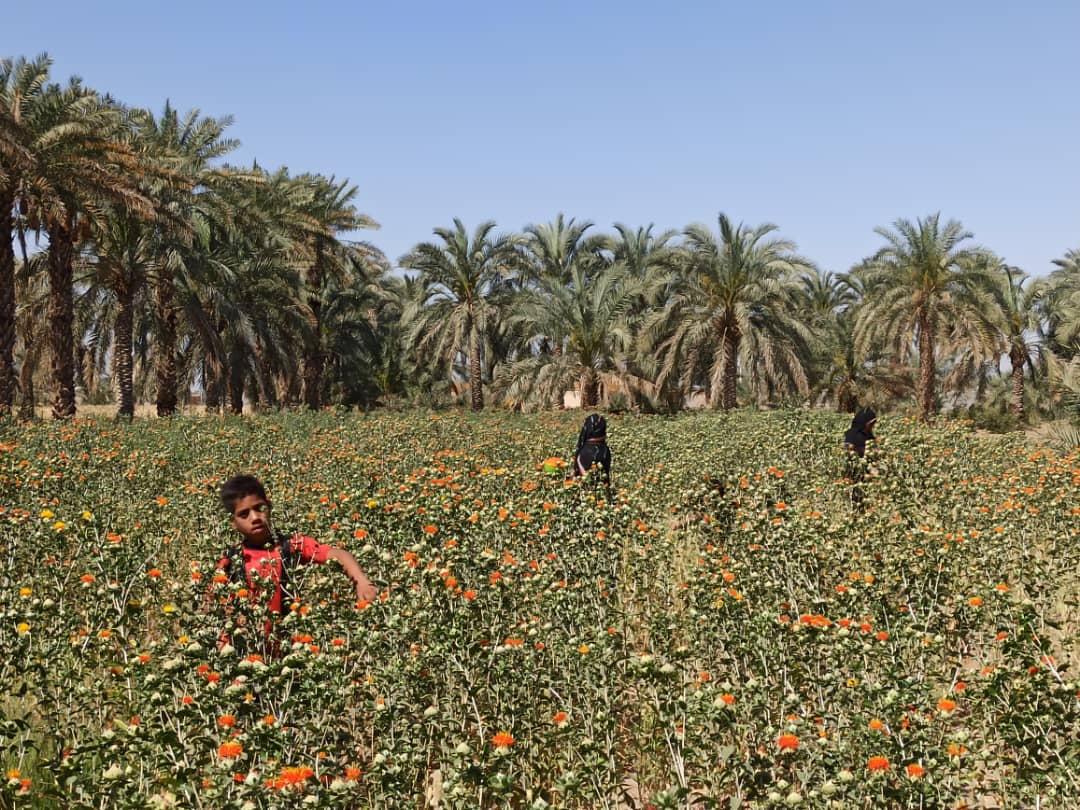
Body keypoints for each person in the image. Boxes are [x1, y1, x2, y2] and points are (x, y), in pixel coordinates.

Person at [214, 475, 377, 650]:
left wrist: (361, 581)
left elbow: (338, 554)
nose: (254, 517)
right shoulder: (230, 560)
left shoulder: (291, 546)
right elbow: (211, 605)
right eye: (244, 514)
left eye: (259, 508)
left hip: (289, 651)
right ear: (233, 523)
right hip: (245, 653)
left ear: (269, 506)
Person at [843, 407, 877, 509]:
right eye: (870, 424)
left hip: (866, 472)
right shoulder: (852, 435)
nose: (872, 426)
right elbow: (849, 452)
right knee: (856, 494)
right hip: (854, 471)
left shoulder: (869, 435)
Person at [569, 413, 612, 487]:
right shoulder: (605, 450)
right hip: (603, 493)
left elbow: (578, 477)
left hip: (585, 493)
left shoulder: (584, 452)